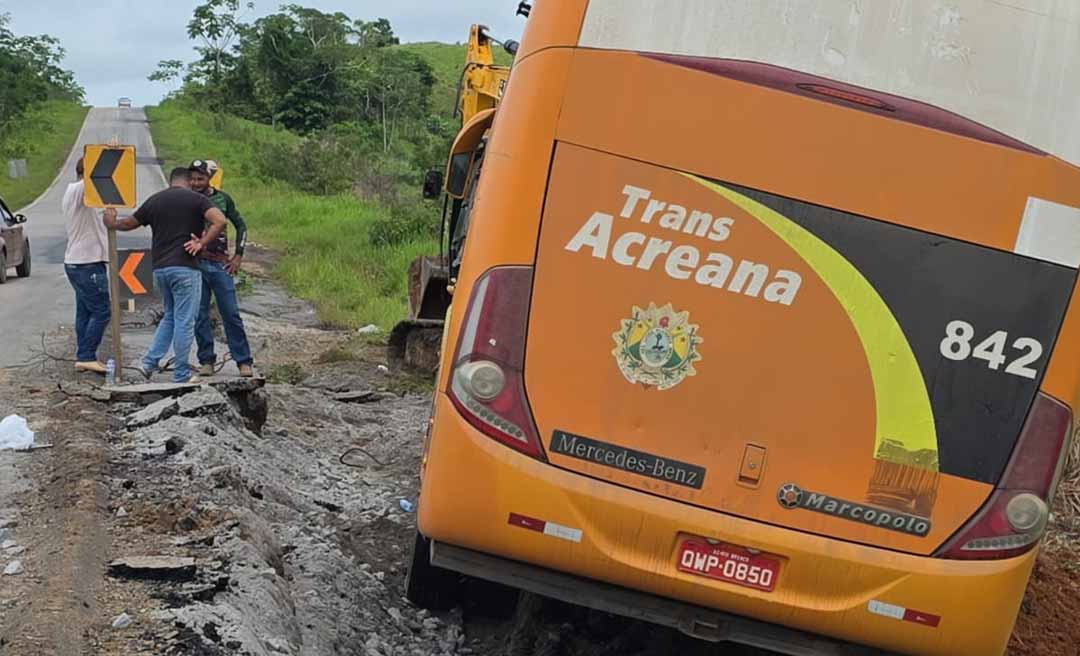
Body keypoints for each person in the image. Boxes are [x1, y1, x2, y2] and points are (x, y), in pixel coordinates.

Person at [103, 168, 227, 384]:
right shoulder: (196, 200)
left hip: (160, 269)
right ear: (188, 182)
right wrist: (202, 242)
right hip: (186, 268)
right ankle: (181, 374)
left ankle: (148, 363)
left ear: (170, 182)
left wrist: (111, 222)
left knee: (170, 316)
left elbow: (128, 223)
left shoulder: (155, 200)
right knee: (185, 320)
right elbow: (220, 221)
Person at [188, 159, 254, 378]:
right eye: (193, 179)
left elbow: (241, 226)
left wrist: (238, 255)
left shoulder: (222, 199)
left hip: (220, 264)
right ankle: (206, 360)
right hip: (195, 265)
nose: (196, 183)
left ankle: (243, 361)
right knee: (200, 314)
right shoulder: (187, 199)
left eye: (200, 178)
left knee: (231, 313)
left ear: (209, 178)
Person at [62, 157, 111, 374]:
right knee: (102, 311)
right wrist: (108, 154)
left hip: (82, 261)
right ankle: (86, 355)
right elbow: (91, 181)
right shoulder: (78, 190)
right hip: (86, 263)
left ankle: (83, 355)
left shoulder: (84, 196)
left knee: (85, 311)